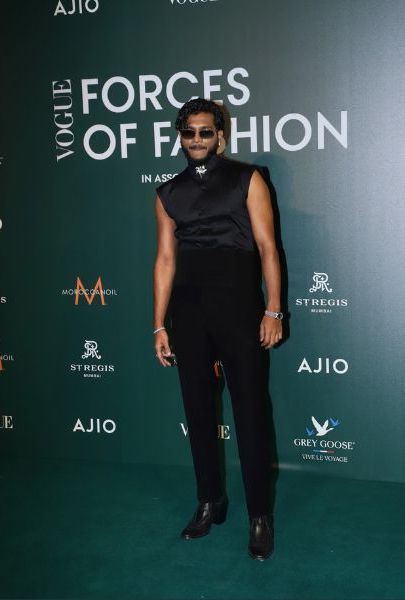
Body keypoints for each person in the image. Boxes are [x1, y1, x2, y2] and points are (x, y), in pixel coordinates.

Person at [152, 98, 282, 560]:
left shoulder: (248, 179)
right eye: (189, 132)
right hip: (188, 313)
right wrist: (158, 325)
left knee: (250, 411)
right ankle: (210, 500)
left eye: (205, 131)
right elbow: (165, 260)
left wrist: (273, 310)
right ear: (180, 137)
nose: (197, 139)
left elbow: (268, 247)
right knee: (198, 410)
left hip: (239, 308)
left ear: (219, 136)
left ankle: (260, 514)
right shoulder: (167, 193)